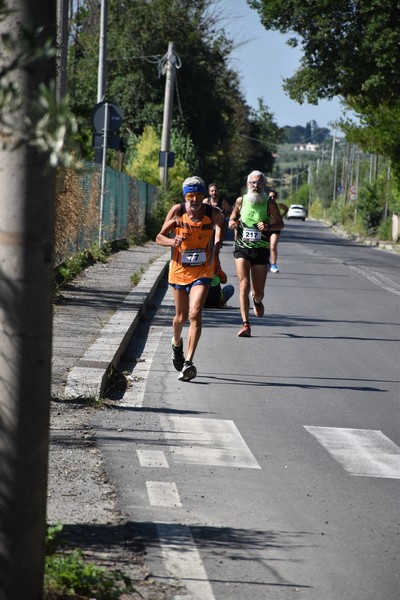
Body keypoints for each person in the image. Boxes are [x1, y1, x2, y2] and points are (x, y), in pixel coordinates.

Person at [156, 176, 224, 381]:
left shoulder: (213, 213)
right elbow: (159, 237)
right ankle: (176, 344)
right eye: (190, 196)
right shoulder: (178, 211)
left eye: (198, 196)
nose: (194, 200)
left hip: (202, 271)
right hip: (179, 270)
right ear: (185, 196)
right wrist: (172, 241)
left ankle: (189, 362)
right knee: (181, 317)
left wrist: (218, 244)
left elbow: (221, 226)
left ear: (204, 196)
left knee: (195, 313)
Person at [228, 170, 284, 337]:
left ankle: (257, 301)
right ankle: (246, 324)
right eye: (253, 183)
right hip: (242, 248)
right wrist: (232, 222)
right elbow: (233, 215)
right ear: (248, 184)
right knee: (244, 284)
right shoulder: (241, 200)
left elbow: (280, 224)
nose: (256, 186)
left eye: (259, 183)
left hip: (260, 250)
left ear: (264, 185)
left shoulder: (269, 203)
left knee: (258, 292)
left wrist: (268, 227)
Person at [267, 189, 288, 273]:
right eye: (270, 196)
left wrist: (281, 217)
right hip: (266, 228)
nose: (272, 198)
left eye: (274, 196)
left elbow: (286, 209)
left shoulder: (278, 205)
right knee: (266, 247)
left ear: (276, 198)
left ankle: (274, 265)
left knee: (273, 246)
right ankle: (267, 263)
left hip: (275, 228)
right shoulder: (265, 205)